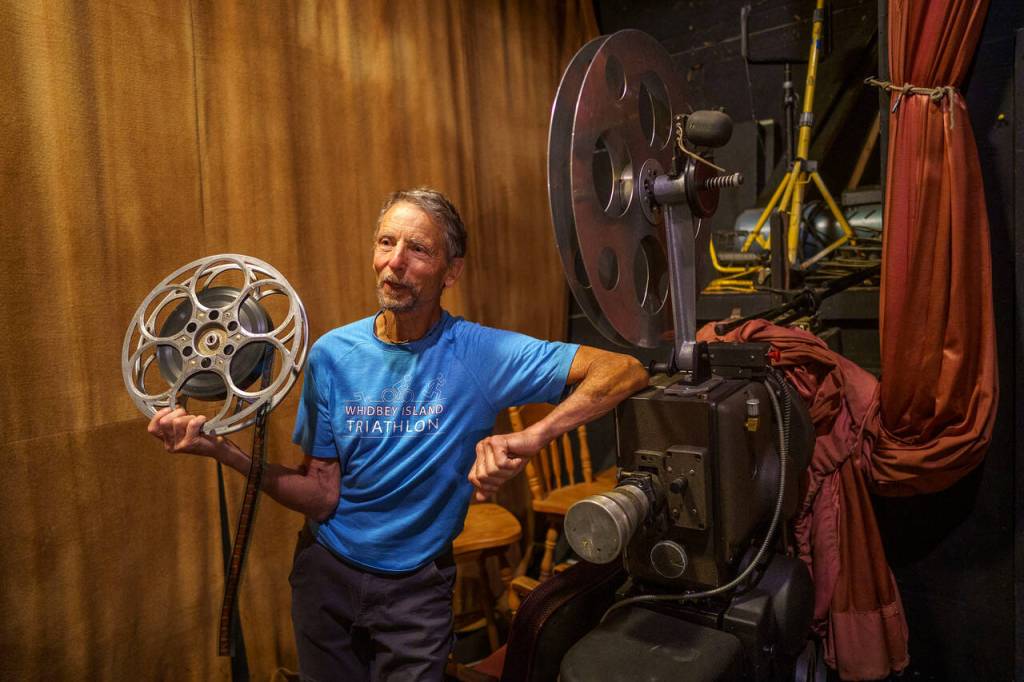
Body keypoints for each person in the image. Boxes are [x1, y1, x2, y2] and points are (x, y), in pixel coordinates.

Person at [147, 188, 648, 681]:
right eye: (386, 243)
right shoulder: (331, 355)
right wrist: (223, 452)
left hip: (416, 593)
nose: (395, 263)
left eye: (418, 249)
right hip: (325, 576)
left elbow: (623, 370)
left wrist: (533, 437)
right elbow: (322, 496)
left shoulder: (481, 354)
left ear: (451, 271)